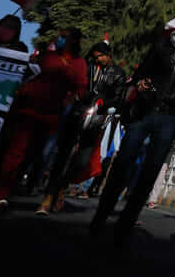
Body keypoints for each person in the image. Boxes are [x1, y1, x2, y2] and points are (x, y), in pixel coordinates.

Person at [90, 8, 175, 245]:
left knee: (150, 171)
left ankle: (126, 222)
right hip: (145, 110)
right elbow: (140, 72)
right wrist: (141, 83)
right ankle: (101, 215)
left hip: (170, 117)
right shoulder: (161, 45)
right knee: (123, 162)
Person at [0, 28, 88, 215]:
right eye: (59, 35)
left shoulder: (79, 63)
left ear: (74, 41)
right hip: (28, 110)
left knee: (37, 155)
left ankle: (13, 187)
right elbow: (27, 73)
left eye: (64, 37)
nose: (59, 39)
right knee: (15, 152)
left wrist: (70, 99)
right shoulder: (46, 56)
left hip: (51, 115)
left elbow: (81, 87)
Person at [37, 40, 126, 214]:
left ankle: (62, 186)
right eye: (95, 57)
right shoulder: (87, 67)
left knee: (83, 161)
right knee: (62, 156)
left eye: (101, 56)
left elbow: (118, 98)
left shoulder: (118, 73)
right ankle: (48, 197)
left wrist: (103, 103)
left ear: (109, 55)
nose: (98, 59)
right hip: (76, 113)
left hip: (96, 119)